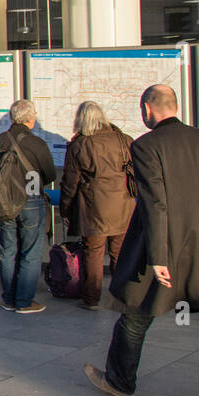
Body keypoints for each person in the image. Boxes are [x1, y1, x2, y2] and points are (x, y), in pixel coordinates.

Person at [84, 85, 199, 396]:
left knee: (135, 316)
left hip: (162, 248)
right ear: (175, 107)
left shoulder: (146, 146)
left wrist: (160, 256)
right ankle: (119, 380)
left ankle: (120, 382)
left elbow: (155, 203)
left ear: (148, 110)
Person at [59, 101, 135, 310]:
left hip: (94, 207)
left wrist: (65, 209)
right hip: (124, 205)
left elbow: (70, 181)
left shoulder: (80, 144)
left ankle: (91, 299)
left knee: (93, 252)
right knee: (120, 252)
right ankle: (122, 297)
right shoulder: (124, 139)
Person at [0, 98, 57, 314]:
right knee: (30, 252)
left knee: (8, 251)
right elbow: (50, 174)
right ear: (30, 119)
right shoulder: (36, 143)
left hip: (4, 202)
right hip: (30, 201)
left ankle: (8, 298)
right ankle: (24, 301)